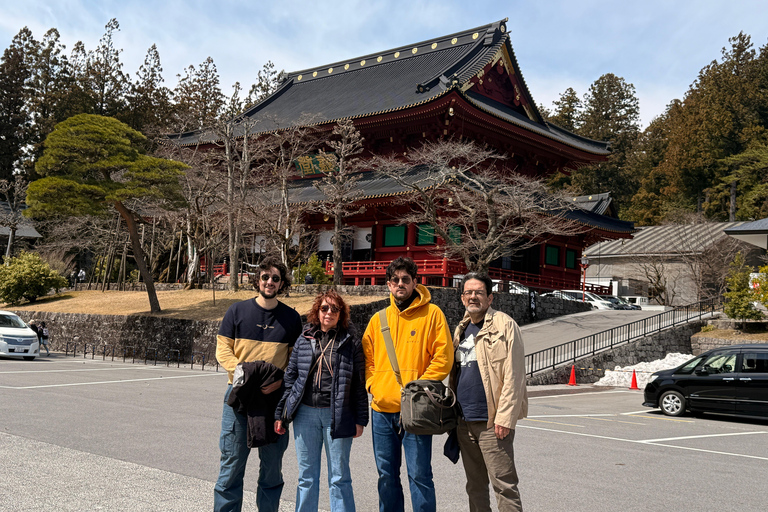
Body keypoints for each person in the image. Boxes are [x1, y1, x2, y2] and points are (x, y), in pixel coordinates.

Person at [361, 256, 453, 512]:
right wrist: (373, 385)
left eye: (405, 279)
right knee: (386, 475)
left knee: (420, 475)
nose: (400, 284)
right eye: (395, 280)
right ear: (388, 284)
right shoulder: (378, 320)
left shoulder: (432, 314)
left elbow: (443, 359)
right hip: (382, 409)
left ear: (415, 282)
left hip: (417, 410)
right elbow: (367, 359)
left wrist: (417, 389)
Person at [214, 256, 302, 512]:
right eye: (265, 277)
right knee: (231, 465)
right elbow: (223, 350)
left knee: (272, 469)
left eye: (276, 278)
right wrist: (244, 376)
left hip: (275, 402)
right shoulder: (237, 311)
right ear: (257, 280)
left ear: (282, 283)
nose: (270, 282)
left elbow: (295, 360)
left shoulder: (292, 318)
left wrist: (279, 384)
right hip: (238, 397)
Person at [275, 290, 368, 512]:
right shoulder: (304, 338)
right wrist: (281, 413)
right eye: (324, 308)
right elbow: (291, 378)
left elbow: (358, 382)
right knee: (306, 475)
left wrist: (361, 419)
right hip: (305, 413)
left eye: (335, 309)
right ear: (317, 311)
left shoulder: (351, 341)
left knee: (339, 476)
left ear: (342, 313)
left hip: (338, 414)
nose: (329, 313)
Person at [451, 272, 528, 512]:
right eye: (468, 293)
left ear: (490, 298)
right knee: (475, 486)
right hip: (464, 421)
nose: (473, 297)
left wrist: (505, 418)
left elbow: (514, 376)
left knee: (504, 486)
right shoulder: (461, 329)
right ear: (462, 298)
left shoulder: (505, 325)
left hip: (493, 422)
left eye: (479, 293)